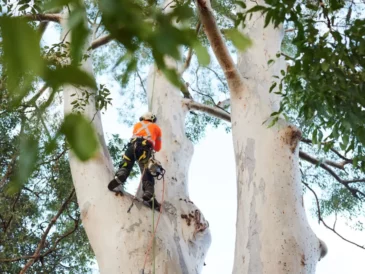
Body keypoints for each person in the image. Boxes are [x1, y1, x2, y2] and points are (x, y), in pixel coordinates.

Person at [108, 112, 162, 209]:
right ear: (153, 119)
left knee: (126, 162)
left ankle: (122, 174)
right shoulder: (157, 128)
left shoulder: (137, 125)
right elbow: (158, 148)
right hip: (144, 150)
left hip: (131, 147)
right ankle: (148, 192)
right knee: (146, 171)